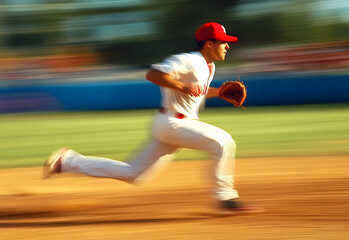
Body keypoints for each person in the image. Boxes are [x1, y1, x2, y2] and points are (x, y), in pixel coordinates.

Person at [44, 22, 262, 214]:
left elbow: (197, 90)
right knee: (223, 142)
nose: (228, 46)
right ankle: (226, 198)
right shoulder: (189, 60)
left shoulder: (209, 66)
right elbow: (153, 74)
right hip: (173, 123)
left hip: (171, 124)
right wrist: (182, 85)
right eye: (223, 42)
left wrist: (218, 93)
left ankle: (67, 161)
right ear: (208, 44)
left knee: (134, 174)